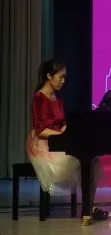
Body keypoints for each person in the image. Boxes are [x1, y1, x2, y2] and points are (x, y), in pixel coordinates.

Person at [27, 60, 102, 211]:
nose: (63, 81)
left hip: (58, 139)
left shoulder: (58, 99)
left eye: (64, 78)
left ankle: (89, 206)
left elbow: (61, 124)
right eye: (60, 77)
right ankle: (88, 207)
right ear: (49, 76)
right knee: (81, 158)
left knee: (92, 159)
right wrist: (63, 134)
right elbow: (41, 131)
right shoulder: (39, 97)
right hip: (43, 144)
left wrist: (72, 129)